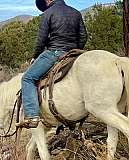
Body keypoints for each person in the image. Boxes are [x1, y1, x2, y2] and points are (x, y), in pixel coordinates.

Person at [21, 0, 87, 128]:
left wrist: (35, 56)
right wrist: (75, 51)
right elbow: (83, 36)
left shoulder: (47, 13)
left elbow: (41, 39)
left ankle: (32, 116)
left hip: (55, 53)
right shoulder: (76, 12)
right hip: (74, 53)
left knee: (27, 78)